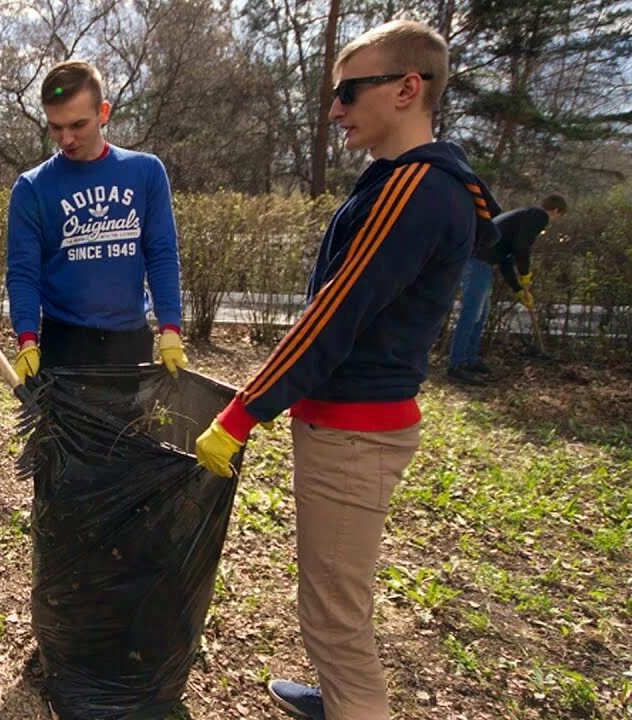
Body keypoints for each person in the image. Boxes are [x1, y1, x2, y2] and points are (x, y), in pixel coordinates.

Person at [193, 20, 499, 720]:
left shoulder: (416, 188)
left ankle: (352, 704)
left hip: (354, 434)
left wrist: (242, 414)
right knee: (333, 594)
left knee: (335, 614)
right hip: (355, 422)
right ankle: (337, 700)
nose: (335, 109)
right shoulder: (409, 182)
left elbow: (334, 313)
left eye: (349, 92)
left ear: (406, 89)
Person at [5, 60, 186, 383]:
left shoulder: (146, 173)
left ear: (104, 112)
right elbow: (23, 273)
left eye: (78, 125)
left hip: (129, 343)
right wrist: (27, 340)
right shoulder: (32, 188)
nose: (66, 138)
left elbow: (161, 253)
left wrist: (170, 327)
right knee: (62, 436)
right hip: (64, 345)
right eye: (55, 127)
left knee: (126, 434)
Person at [448, 194, 567, 384]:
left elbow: (506, 258)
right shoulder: (538, 216)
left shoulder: (523, 216)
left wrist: (518, 289)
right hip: (477, 261)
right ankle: (456, 364)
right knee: (471, 314)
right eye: (556, 218)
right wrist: (525, 273)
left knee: (481, 315)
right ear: (555, 211)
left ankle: (470, 359)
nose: (551, 222)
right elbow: (521, 248)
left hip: (483, 262)